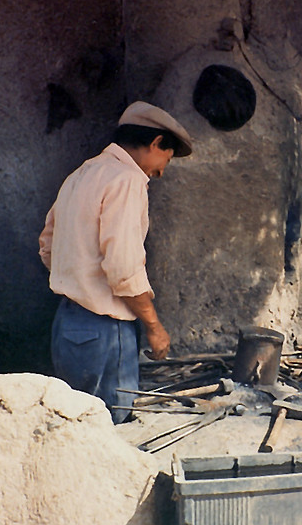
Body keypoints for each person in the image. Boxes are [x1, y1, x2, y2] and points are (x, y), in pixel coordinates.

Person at [38, 101, 193, 422]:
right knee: (112, 425)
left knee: (76, 428)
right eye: (167, 157)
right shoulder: (126, 180)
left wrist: (79, 280)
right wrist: (154, 327)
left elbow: (47, 247)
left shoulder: (82, 173)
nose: (162, 170)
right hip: (105, 332)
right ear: (155, 143)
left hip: (67, 326)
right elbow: (124, 269)